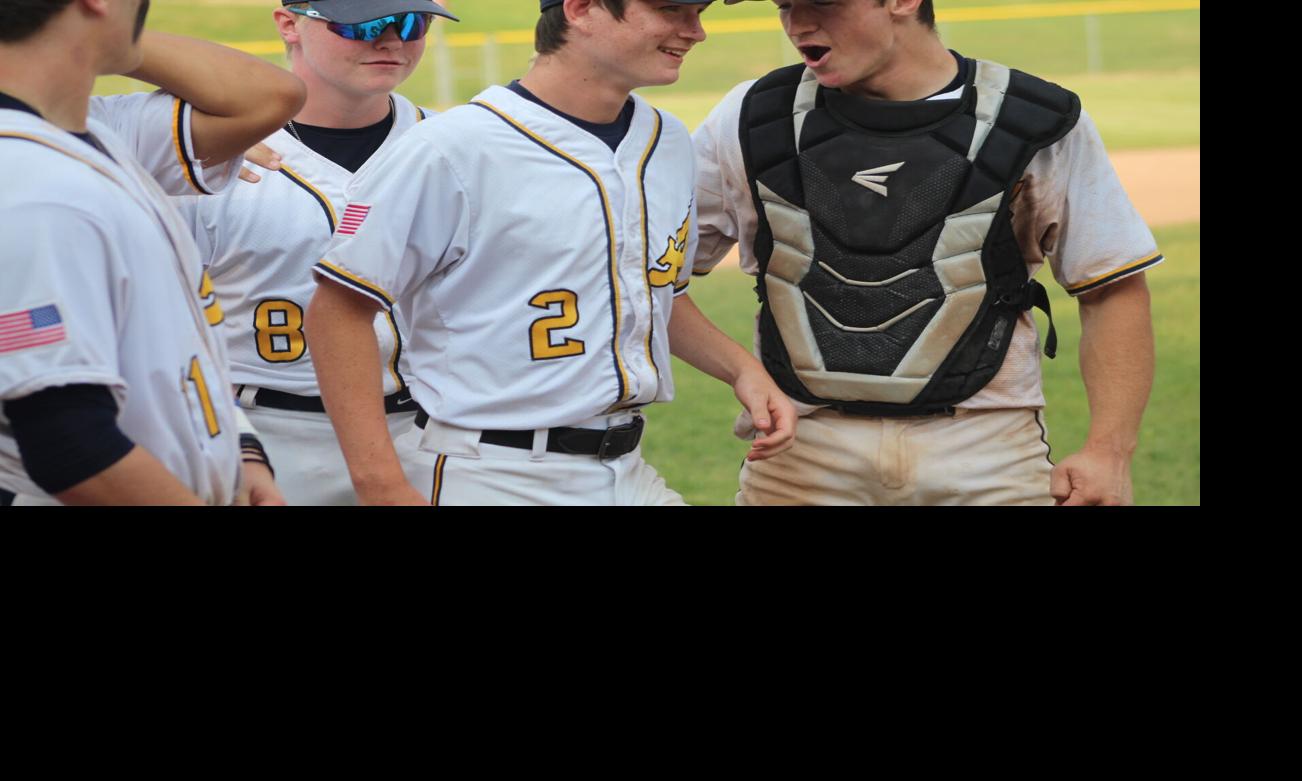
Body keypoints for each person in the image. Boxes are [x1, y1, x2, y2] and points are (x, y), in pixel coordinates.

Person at [306, 0, 796, 505]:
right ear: (581, 9)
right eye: (671, 9)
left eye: (699, 11)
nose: (695, 31)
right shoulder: (451, 148)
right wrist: (379, 482)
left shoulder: (666, 139)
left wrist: (742, 369)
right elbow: (338, 310)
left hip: (627, 467)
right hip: (492, 473)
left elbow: (655, 294)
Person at [690, 0, 1158, 506]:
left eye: (822, 2)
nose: (797, 23)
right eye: (785, 5)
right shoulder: (752, 117)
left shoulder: (1032, 120)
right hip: (801, 451)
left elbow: (1112, 288)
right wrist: (741, 369)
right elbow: (650, 272)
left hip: (985, 451)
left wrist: (1109, 452)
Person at [1, 0, 306, 505]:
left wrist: (240, 452)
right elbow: (68, 443)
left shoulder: (88, 134)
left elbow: (165, 355)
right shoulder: (32, 184)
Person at [176, 0, 457, 505]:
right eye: (363, 23)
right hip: (270, 437)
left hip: (435, 436)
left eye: (412, 21)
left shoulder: (456, 147)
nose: (391, 39)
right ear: (289, 25)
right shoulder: (201, 158)